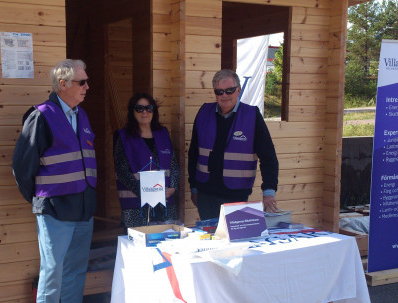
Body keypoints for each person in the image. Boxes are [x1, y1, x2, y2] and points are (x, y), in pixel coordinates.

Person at [12, 59, 103, 303]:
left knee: (77, 269)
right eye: (82, 82)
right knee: (51, 273)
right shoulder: (41, 116)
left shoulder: (82, 114)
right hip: (54, 211)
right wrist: (39, 200)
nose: (87, 87)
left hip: (83, 209)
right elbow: (22, 165)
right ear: (63, 84)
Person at [188, 69, 279, 220]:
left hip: (237, 195)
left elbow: (268, 157)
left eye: (229, 90)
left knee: (236, 241)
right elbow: (193, 154)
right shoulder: (204, 112)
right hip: (205, 194)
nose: (224, 95)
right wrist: (194, 187)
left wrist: (269, 191)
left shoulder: (252, 115)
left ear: (238, 90)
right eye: (219, 91)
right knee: (211, 240)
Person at [113, 93, 179, 228]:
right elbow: (121, 170)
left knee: (167, 243)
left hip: (165, 203)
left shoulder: (163, 133)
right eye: (139, 108)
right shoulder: (124, 137)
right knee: (139, 245)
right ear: (132, 112)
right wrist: (147, 192)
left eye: (149, 108)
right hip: (136, 206)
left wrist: (173, 187)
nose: (144, 112)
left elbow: (173, 164)